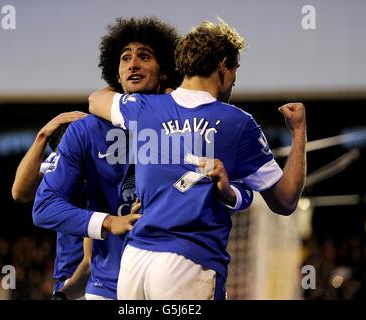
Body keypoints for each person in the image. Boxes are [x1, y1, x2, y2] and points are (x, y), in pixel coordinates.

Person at [33, 17, 254, 300]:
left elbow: (235, 191)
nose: (133, 64)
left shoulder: (194, 127)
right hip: (108, 286)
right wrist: (109, 222)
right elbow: (44, 206)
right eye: (125, 58)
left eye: (144, 57)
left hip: (179, 272)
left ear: (165, 72)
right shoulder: (86, 131)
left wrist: (231, 194)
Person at [88, 18, 306, 299]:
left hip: (134, 265)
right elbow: (286, 200)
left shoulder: (142, 108)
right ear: (223, 67)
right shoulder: (238, 123)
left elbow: (96, 99)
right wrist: (298, 130)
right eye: (235, 71)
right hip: (188, 262)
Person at [11, 111, 92, 299]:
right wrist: (43, 136)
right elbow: (20, 192)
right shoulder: (61, 161)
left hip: (98, 279)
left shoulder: (107, 166)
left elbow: (89, 260)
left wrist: (65, 294)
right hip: (71, 278)